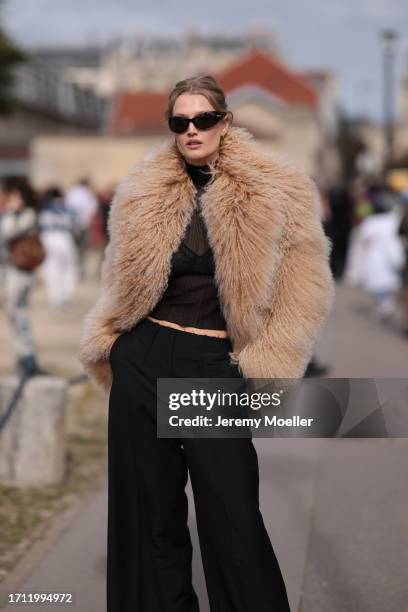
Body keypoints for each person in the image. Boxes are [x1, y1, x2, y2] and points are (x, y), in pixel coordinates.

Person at [79, 75, 335, 612]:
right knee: (152, 519)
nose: (191, 131)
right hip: (143, 359)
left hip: (213, 367)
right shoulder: (144, 189)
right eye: (180, 122)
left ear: (225, 121)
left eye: (202, 120)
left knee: (232, 516)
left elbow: (302, 291)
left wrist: (263, 367)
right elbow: (119, 277)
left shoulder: (278, 187)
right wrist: (114, 343)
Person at [0, 176, 47, 377]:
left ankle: (27, 360)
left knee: (18, 315)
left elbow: (6, 232)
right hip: (13, 273)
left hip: (19, 273)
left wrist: (11, 211)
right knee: (16, 315)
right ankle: (25, 359)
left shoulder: (25, 214)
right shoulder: (23, 214)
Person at [38, 186, 80, 307]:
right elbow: (76, 226)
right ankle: (66, 297)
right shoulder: (67, 207)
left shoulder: (42, 208)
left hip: (47, 238)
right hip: (64, 237)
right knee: (69, 268)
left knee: (51, 269)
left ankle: (54, 298)